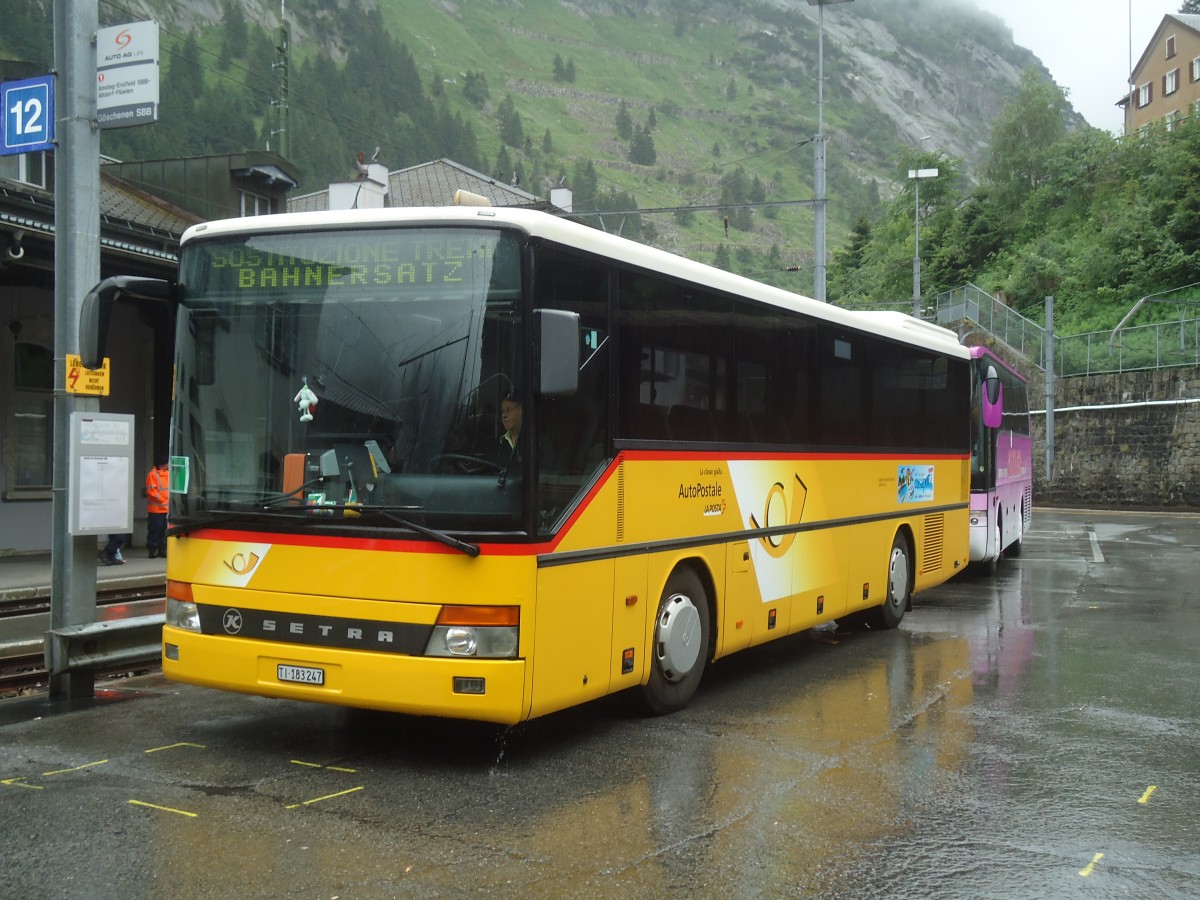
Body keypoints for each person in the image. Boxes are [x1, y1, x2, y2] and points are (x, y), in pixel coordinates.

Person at [145, 455, 169, 558]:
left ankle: (161, 549)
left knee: (163, 531)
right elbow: (151, 491)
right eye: (167, 463)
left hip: (165, 509)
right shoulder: (152, 474)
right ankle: (152, 549)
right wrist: (162, 500)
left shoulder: (167, 474)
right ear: (163, 464)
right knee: (154, 530)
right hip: (155, 510)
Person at [498, 393, 522, 462]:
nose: (504, 415)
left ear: (521, 411)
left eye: (509, 410)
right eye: (503, 411)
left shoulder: (538, 443)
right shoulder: (499, 442)